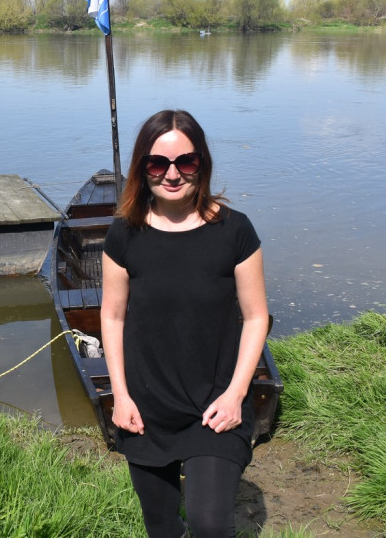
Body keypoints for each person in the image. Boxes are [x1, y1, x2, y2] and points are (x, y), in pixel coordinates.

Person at [101, 109, 270, 538]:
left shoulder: (235, 231)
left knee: (210, 525)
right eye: (158, 164)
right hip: (146, 406)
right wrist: (120, 396)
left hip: (213, 405)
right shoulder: (124, 234)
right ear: (142, 169)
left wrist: (235, 395)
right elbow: (112, 316)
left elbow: (256, 317)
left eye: (186, 162)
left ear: (203, 164)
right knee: (161, 527)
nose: (172, 175)